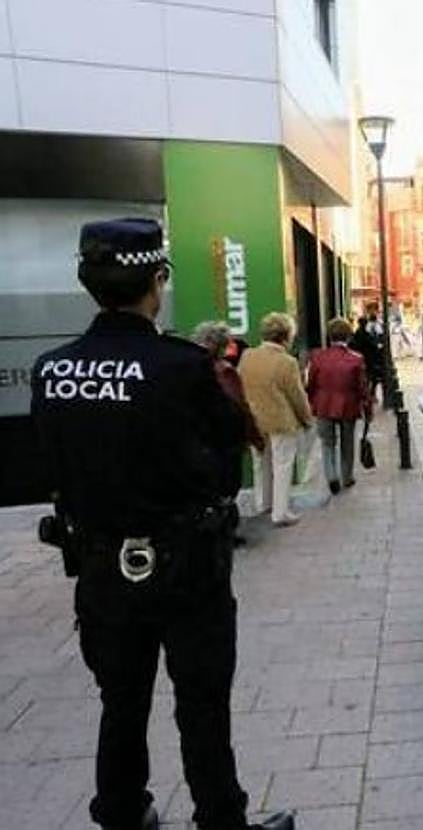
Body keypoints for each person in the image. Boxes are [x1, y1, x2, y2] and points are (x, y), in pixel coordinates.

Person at [30, 218, 295, 830]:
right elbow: (228, 457)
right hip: (186, 567)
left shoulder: (52, 370)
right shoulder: (181, 366)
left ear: (86, 282)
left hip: (99, 566)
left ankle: (121, 813)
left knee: (120, 700)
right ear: (158, 280)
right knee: (201, 703)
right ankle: (220, 819)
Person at [239, 313, 313, 528]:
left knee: (260, 463)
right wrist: (307, 419)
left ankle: (263, 503)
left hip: (255, 419)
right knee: (282, 466)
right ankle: (280, 512)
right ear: (286, 336)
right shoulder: (287, 362)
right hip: (281, 420)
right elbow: (296, 395)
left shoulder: (248, 356)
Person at [192, 321, 265, 502]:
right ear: (222, 346)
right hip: (225, 442)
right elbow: (240, 406)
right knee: (227, 487)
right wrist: (255, 437)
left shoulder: (188, 367)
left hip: (197, 441)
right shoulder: (225, 371)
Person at [307, 317, 371, 495]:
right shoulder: (356, 359)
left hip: (323, 405)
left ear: (329, 336)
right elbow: (362, 388)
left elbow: (311, 384)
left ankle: (331, 476)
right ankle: (347, 476)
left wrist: (312, 402)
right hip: (348, 406)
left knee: (327, 443)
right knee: (347, 443)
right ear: (349, 336)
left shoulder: (317, 358)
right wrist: (368, 408)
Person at [350, 311, 385, 401]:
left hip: (364, 358)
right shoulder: (364, 334)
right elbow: (372, 344)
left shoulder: (357, 333)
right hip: (368, 359)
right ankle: (370, 394)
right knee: (373, 377)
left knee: (370, 378)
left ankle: (369, 394)